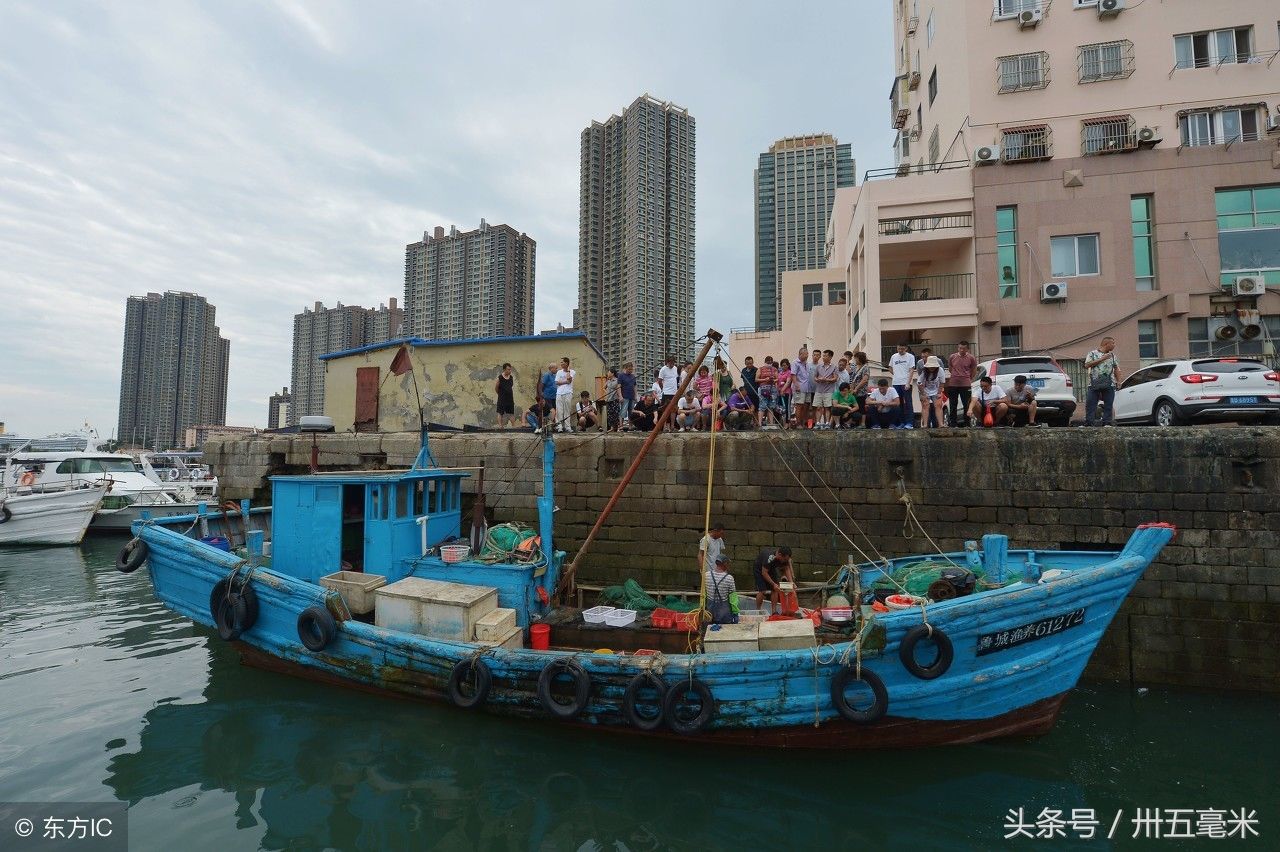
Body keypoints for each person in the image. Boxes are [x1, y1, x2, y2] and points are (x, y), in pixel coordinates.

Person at [1084, 336, 1120, 427]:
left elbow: (1117, 369)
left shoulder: (1113, 356)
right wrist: (1102, 359)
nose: (1114, 345)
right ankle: (1089, 423)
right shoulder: (1092, 353)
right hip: (1094, 383)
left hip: (1109, 382)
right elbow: (1087, 365)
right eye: (1113, 343)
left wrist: (1118, 381)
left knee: (1109, 403)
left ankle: (1107, 422)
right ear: (1106, 344)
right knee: (1091, 403)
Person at [751, 545, 793, 612]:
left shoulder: (784, 559)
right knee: (762, 591)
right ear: (779, 555)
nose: (785, 561)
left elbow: (786, 569)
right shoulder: (769, 558)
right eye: (784, 559)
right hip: (759, 570)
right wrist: (773, 584)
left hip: (771, 569)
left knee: (775, 590)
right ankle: (758, 610)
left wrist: (791, 583)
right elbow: (764, 573)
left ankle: (774, 611)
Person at [947, 341, 978, 427]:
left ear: (967, 349)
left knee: (966, 404)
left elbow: (974, 370)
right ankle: (953, 423)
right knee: (953, 404)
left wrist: (968, 377)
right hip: (953, 383)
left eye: (963, 348)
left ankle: (967, 423)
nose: (961, 350)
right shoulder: (952, 356)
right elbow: (950, 368)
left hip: (965, 384)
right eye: (960, 348)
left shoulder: (971, 358)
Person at [889, 344, 917, 429]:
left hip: (906, 382)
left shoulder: (910, 356)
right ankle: (901, 422)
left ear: (906, 348)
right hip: (896, 383)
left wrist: (908, 383)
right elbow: (890, 367)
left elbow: (912, 370)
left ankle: (910, 423)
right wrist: (896, 375)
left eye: (902, 349)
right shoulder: (894, 356)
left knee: (908, 403)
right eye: (898, 349)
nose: (900, 350)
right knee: (898, 403)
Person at [917, 355, 948, 429]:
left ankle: (941, 424)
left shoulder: (940, 370)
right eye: (930, 367)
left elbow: (942, 382)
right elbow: (919, 383)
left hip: (936, 390)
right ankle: (925, 425)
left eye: (933, 366)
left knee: (938, 405)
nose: (932, 368)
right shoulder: (924, 371)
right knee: (925, 406)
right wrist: (923, 394)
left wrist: (939, 393)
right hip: (925, 390)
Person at [705, 556, 738, 624]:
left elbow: (705, 594)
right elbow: (733, 598)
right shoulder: (729, 578)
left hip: (709, 612)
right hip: (724, 614)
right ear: (725, 564)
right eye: (728, 563)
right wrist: (735, 612)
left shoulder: (706, 575)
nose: (728, 565)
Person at [813, 349, 839, 429]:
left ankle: (827, 423)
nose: (823, 357)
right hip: (819, 390)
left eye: (825, 356)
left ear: (830, 357)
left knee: (827, 407)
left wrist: (826, 380)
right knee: (818, 407)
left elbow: (835, 378)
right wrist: (818, 379)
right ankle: (817, 423)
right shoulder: (818, 366)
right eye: (823, 356)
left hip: (829, 391)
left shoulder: (834, 367)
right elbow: (815, 377)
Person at [756, 356, 780, 428]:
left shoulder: (774, 369)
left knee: (771, 406)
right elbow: (756, 379)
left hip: (772, 389)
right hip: (763, 389)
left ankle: (771, 424)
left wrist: (773, 380)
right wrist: (765, 379)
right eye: (768, 362)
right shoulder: (760, 369)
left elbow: (777, 379)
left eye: (770, 362)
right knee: (762, 406)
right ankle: (760, 424)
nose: (769, 363)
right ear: (765, 362)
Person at [554, 358, 576, 432]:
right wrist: (565, 382)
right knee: (559, 411)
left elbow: (569, 380)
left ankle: (567, 427)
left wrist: (568, 370)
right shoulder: (559, 372)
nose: (561, 364)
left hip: (568, 392)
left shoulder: (572, 372)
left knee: (567, 410)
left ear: (567, 363)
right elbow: (557, 382)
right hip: (559, 393)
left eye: (562, 362)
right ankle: (559, 426)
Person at [792, 346, 812, 428]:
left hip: (807, 388)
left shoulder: (806, 363)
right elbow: (793, 375)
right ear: (800, 354)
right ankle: (798, 423)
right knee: (799, 405)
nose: (807, 356)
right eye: (805, 354)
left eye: (807, 354)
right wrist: (796, 385)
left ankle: (804, 423)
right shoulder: (795, 362)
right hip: (799, 387)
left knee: (806, 406)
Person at [850, 351, 871, 424]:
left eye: (856, 358)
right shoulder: (856, 367)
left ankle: (863, 423)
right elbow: (853, 380)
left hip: (861, 392)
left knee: (862, 407)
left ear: (860, 358)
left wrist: (856, 389)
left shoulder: (865, 367)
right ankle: (856, 423)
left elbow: (864, 380)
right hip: (854, 392)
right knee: (856, 408)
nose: (855, 360)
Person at [494, 363, 516, 428]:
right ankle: (500, 426)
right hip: (502, 398)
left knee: (511, 413)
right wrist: (500, 395)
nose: (510, 371)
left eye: (510, 369)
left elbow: (510, 386)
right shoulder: (500, 378)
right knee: (500, 412)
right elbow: (496, 388)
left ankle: (514, 426)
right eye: (508, 369)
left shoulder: (511, 377)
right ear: (504, 369)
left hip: (510, 399)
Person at [618, 362, 637, 430]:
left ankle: (630, 426)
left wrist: (635, 395)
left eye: (631, 369)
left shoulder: (633, 376)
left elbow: (634, 386)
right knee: (623, 411)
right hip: (624, 396)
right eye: (629, 369)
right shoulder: (621, 375)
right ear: (625, 368)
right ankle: (621, 425)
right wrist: (620, 396)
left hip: (631, 396)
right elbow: (619, 386)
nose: (630, 371)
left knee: (631, 412)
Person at [540, 363, 558, 429]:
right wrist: (541, 393)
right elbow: (542, 384)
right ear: (551, 368)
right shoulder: (547, 375)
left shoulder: (555, 375)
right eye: (556, 368)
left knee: (554, 411)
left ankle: (553, 425)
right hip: (548, 397)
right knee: (551, 411)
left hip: (554, 397)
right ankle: (548, 425)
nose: (557, 369)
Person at [777, 358, 794, 426]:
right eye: (782, 365)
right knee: (781, 409)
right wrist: (778, 389)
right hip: (780, 393)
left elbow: (788, 382)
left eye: (785, 365)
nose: (784, 367)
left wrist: (782, 390)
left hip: (787, 392)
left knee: (787, 407)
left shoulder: (789, 372)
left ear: (788, 365)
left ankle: (787, 422)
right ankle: (782, 422)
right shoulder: (780, 373)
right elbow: (778, 382)